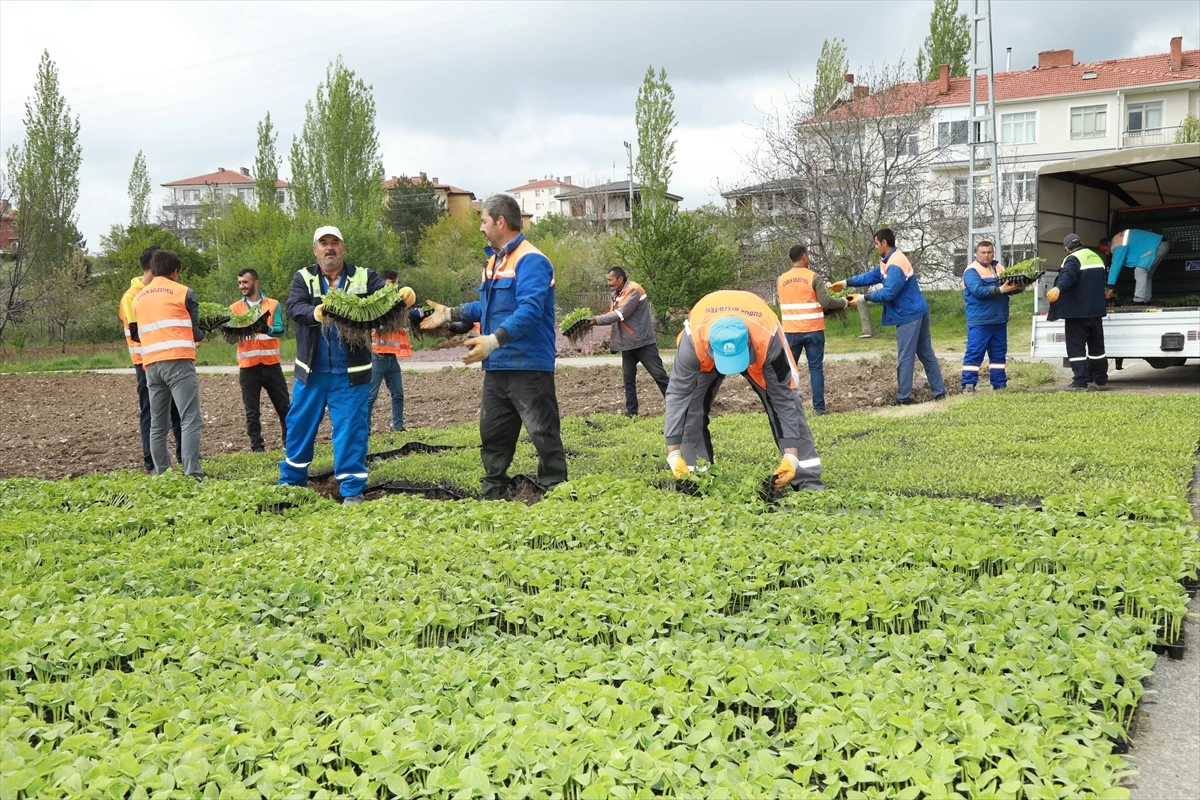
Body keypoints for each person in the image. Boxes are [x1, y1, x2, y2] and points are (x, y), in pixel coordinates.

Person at [421, 194, 567, 498]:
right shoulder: (493, 262)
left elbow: (530, 311)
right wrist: (449, 314)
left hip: (528, 365)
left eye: (483, 220)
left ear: (501, 221)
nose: (481, 228)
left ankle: (556, 491)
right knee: (493, 434)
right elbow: (487, 307)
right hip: (497, 365)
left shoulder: (532, 260)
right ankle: (493, 493)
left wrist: (493, 340)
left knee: (543, 432)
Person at [665, 289, 823, 491]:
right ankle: (695, 478)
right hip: (704, 353)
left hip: (759, 351)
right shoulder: (693, 342)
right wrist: (673, 454)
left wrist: (792, 455)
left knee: (790, 402)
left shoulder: (768, 340)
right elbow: (678, 395)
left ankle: (806, 480)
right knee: (690, 408)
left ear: (748, 343)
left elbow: (783, 398)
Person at [279, 226, 389, 504]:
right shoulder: (303, 277)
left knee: (352, 430)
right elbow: (294, 307)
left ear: (343, 248)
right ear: (315, 249)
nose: (330, 248)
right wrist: (314, 312)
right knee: (299, 426)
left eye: (335, 243)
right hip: (312, 373)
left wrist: (401, 297)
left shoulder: (365, 276)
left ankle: (352, 491)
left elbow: (385, 300)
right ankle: (292, 485)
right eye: (323, 243)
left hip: (351, 375)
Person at [831, 228, 946, 406]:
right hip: (918, 310)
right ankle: (940, 393)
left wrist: (863, 298)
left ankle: (903, 398)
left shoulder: (895, 265)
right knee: (925, 353)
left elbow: (888, 293)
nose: (876, 247)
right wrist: (847, 282)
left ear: (884, 243)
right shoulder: (890, 259)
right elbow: (872, 275)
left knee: (905, 357)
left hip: (909, 314)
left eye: (876, 243)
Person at [132, 249, 205, 479]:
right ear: (175, 272)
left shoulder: (138, 298)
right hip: (178, 362)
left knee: (157, 423)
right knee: (190, 417)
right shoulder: (184, 292)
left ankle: (162, 474)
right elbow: (196, 333)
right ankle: (192, 472)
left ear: (153, 270)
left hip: (151, 365)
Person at [119, 244, 182, 472]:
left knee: (178, 413)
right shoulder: (132, 296)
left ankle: (184, 459)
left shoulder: (161, 291)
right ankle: (152, 464)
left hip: (169, 358)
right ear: (153, 267)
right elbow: (138, 333)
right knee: (153, 416)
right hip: (145, 364)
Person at [777, 244, 851, 415]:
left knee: (789, 370)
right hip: (813, 330)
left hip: (791, 331)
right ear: (804, 257)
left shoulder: (781, 280)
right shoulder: (814, 277)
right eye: (808, 256)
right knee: (816, 369)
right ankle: (819, 408)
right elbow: (825, 302)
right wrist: (844, 302)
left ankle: (786, 408)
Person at [591, 266, 669, 417]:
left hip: (642, 343)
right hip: (627, 344)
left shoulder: (633, 290)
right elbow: (613, 315)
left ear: (620, 279)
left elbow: (621, 314)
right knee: (628, 380)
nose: (608, 283)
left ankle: (679, 408)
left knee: (660, 376)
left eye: (610, 280)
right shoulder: (616, 294)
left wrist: (596, 320)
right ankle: (631, 413)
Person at [231, 268, 290, 452]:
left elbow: (280, 329)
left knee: (284, 408)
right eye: (240, 282)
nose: (242, 286)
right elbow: (231, 335)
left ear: (255, 283)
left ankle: (290, 445)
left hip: (272, 365)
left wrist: (266, 329)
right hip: (248, 367)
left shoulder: (273, 305)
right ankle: (258, 450)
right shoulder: (235, 308)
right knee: (252, 412)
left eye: (245, 282)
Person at [1047, 233, 1108, 392]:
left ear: (1067, 248)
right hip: (1096, 311)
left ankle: (1080, 382)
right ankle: (1101, 381)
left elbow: (1069, 276)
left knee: (1076, 349)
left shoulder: (1073, 258)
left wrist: (1057, 288)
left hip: (1077, 312)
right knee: (1097, 348)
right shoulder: (1096, 257)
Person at [961, 241, 1023, 393]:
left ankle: (999, 385)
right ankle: (968, 385)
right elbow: (978, 291)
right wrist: (1001, 289)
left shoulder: (999, 268)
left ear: (993, 253)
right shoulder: (971, 271)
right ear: (976, 254)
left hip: (999, 319)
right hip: (980, 321)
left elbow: (1007, 288)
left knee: (998, 355)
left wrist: (1017, 288)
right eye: (983, 252)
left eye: (989, 252)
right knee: (975, 353)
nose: (986, 255)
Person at [368, 270, 416, 433]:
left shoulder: (397, 308)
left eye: (396, 284)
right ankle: (364, 429)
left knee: (398, 394)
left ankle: (398, 427)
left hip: (391, 358)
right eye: (391, 284)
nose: (394, 288)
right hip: (376, 356)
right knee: (370, 396)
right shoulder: (374, 306)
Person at [1105, 228, 1169, 305]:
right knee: (1146, 273)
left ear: (1109, 243)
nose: (1107, 253)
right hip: (1160, 244)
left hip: (1157, 245)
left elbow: (1116, 263)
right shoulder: (1121, 238)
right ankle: (1146, 300)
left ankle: (1139, 300)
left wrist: (1110, 286)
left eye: (1106, 250)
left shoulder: (1117, 242)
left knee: (1140, 271)